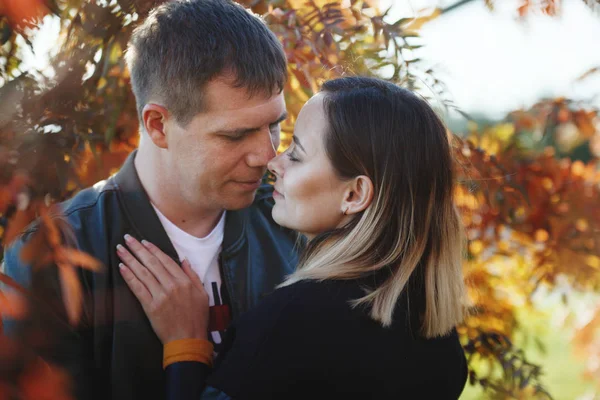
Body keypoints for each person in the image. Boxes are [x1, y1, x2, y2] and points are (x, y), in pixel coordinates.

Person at [2, 1, 299, 399]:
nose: (267, 155)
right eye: (235, 135)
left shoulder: (298, 224)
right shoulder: (50, 255)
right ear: (158, 125)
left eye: (274, 125)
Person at [118, 76, 469, 400]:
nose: (273, 162)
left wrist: (186, 347)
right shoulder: (441, 340)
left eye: (297, 155)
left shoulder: (288, 326)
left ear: (354, 195)